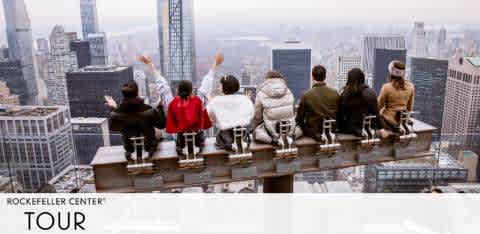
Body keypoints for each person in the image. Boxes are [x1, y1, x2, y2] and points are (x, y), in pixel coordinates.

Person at [105, 80, 166, 160]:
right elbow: (162, 125)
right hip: (148, 145)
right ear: (137, 93)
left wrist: (115, 108)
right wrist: (160, 107)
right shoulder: (149, 110)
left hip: (130, 147)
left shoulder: (117, 114)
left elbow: (114, 127)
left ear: (123, 95)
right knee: (158, 131)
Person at [206, 75, 255, 151]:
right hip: (243, 136)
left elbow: (207, 115)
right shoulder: (245, 99)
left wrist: (216, 120)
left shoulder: (216, 101)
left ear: (223, 87)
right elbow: (251, 116)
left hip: (224, 138)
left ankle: (229, 146)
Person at [166, 80, 212, 155]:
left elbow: (171, 122)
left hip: (182, 140)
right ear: (191, 90)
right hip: (197, 138)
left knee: (176, 137)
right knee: (203, 135)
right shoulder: (197, 100)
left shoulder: (173, 103)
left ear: (178, 90)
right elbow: (203, 119)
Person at [337, 68, 387, 137]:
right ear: (363, 78)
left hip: (348, 130)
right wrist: (381, 128)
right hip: (368, 128)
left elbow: (340, 114)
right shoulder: (370, 93)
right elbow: (376, 113)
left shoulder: (344, 93)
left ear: (349, 79)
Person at [296, 65, 339, 141]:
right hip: (332, 129)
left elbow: (299, 119)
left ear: (312, 77)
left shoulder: (306, 95)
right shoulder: (335, 93)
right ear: (325, 77)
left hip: (314, 131)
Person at [253, 70, 296, 145]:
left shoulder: (261, 93)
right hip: (289, 129)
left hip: (272, 132)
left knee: (255, 133)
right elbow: (293, 111)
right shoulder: (288, 91)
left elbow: (257, 116)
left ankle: (273, 141)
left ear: (267, 79)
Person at [377, 60, 415, 132]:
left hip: (388, 121)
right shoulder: (411, 86)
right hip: (402, 121)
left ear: (391, 72)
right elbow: (410, 107)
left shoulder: (386, 87)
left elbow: (378, 106)